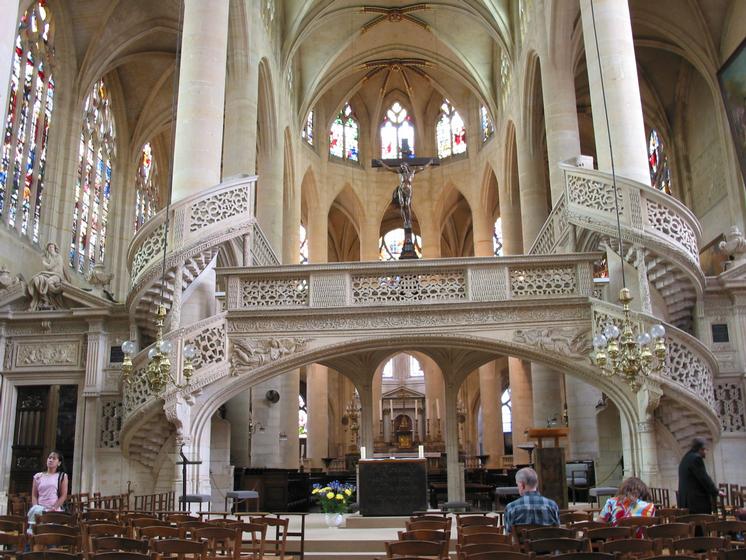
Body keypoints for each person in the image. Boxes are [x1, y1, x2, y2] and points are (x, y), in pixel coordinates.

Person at [503, 467, 560, 534]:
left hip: (521, 544)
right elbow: (557, 532)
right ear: (536, 483)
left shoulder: (511, 507)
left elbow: (508, 535)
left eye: (517, 484)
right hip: (546, 544)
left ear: (522, 485)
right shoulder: (552, 505)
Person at [678, 437, 724, 515]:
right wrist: (716, 491)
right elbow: (704, 478)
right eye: (705, 449)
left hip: (685, 502)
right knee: (701, 526)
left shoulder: (686, 457)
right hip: (696, 504)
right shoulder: (696, 458)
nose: (706, 452)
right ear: (700, 449)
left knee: (691, 526)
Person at [27, 450, 68, 531]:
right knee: (35, 533)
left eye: (54, 458)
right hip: (39, 509)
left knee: (50, 535)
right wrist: (36, 507)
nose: (50, 460)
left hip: (53, 510)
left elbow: (63, 495)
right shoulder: (38, 476)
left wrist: (54, 508)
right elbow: (34, 495)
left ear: (59, 463)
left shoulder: (62, 476)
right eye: (49, 458)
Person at [27, 242, 70, 310]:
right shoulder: (50, 258)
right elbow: (49, 268)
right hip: (49, 275)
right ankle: (45, 299)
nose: (50, 249)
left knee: (49, 282)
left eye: (52, 247)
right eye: (49, 248)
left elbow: (50, 267)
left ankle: (53, 295)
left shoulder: (58, 257)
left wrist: (44, 262)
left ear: (55, 248)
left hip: (57, 276)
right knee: (37, 279)